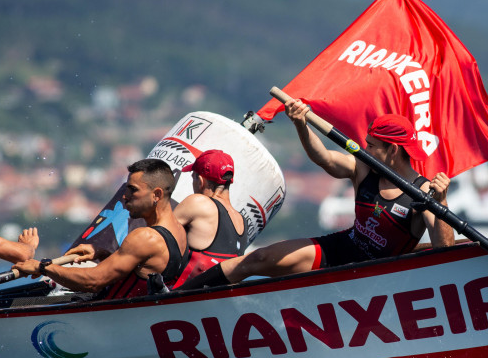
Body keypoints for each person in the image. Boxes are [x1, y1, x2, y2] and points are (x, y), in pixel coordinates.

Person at [179, 98, 454, 289]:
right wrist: (301, 124)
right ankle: (177, 298)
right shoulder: (364, 169)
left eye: (371, 145)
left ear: (392, 150)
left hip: (379, 274)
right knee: (258, 259)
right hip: (343, 249)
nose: (365, 150)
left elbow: (444, 250)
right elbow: (323, 157)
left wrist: (441, 203)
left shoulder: (424, 193)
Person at [14, 159, 189, 299]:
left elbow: (93, 281)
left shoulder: (145, 237)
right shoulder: (179, 230)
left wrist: (43, 266)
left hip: (116, 323)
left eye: (133, 190)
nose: (124, 196)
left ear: (156, 194)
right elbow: (145, 268)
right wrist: (103, 253)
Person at [171, 149, 248, 288]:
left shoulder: (198, 202)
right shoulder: (242, 221)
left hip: (181, 299)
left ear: (200, 180)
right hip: (219, 303)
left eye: (193, 177)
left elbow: (159, 235)